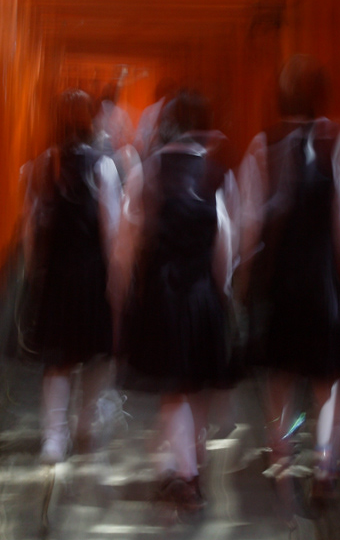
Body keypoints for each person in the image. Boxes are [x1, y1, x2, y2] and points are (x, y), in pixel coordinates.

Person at [241, 55, 340, 495]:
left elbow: (249, 223)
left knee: (280, 374)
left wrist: (242, 283)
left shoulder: (261, 143)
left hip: (278, 278)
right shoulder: (337, 140)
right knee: (327, 380)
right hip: (323, 278)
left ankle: (281, 456)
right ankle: (326, 467)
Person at [119, 91, 235, 509]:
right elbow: (226, 240)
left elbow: (128, 238)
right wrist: (221, 290)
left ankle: (184, 475)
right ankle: (189, 467)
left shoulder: (147, 171)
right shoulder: (217, 172)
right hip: (202, 289)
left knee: (174, 389)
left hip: (162, 291)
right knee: (196, 385)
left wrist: (121, 291)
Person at [21, 89, 122, 463]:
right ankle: (85, 424)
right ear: (89, 121)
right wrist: (117, 276)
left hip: (57, 272)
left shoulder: (41, 165)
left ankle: (53, 438)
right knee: (95, 355)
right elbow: (112, 228)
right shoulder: (104, 166)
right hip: (92, 270)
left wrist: (34, 271)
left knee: (57, 360)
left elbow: (30, 226)